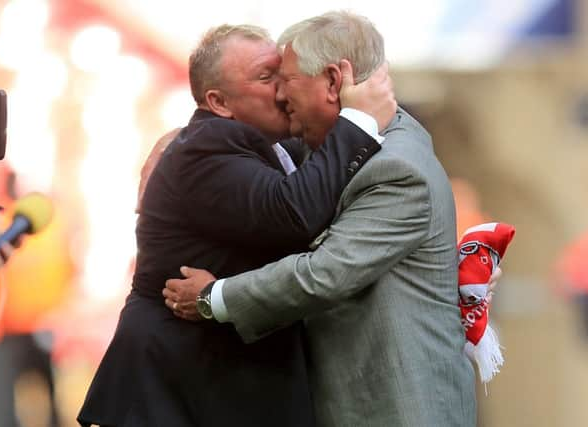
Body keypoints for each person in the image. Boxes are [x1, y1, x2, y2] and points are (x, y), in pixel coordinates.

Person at [163, 11, 477, 426]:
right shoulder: (338, 150)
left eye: (286, 80)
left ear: (332, 82)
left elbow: (324, 275)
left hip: (397, 411)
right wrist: (174, 151)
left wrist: (213, 298)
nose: (278, 96)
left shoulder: (399, 168)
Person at [77, 23, 396, 427]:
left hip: (218, 385)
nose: (283, 91)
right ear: (219, 101)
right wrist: (359, 121)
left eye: (283, 74)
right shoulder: (206, 149)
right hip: (174, 391)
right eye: (266, 78)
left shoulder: (256, 140)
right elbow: (294, 213)